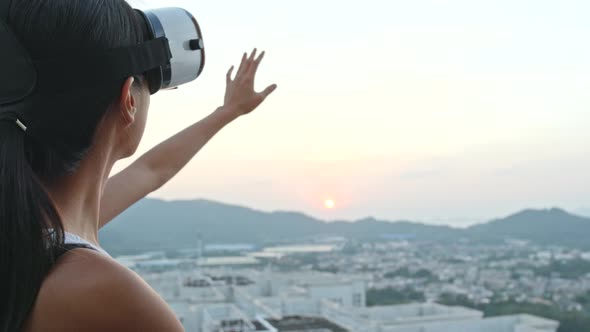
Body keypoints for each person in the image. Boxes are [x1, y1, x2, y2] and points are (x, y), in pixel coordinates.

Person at [0, 0, 277, 331]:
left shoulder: (24, 235)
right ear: (128, 98)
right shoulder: (102, 292)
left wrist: (226, 112)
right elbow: (150, 171)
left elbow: (152, 171)